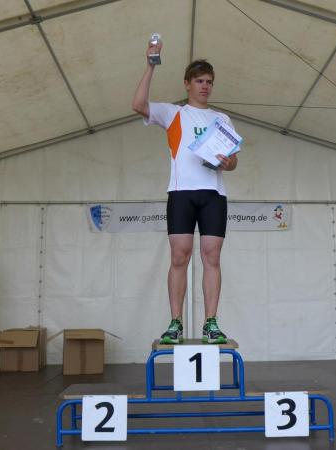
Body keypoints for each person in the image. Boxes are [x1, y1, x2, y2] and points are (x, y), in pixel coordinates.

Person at [132, 39, 238, 344]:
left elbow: (233, 162)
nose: (205, 86)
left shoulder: (222, 119)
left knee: (212, 257)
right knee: (179, 256)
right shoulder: (173, 113)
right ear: (187, 84)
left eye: (209, 82)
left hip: (213, 194)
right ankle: (175, 323)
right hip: (181, 193)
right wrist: (150, 65)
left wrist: (228, 162)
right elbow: (138, 104)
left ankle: (211, 323)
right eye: (200, 81)